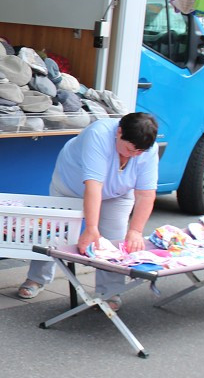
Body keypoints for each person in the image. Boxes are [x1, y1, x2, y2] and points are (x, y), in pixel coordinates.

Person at [16, 111, 159, 311]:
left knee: (115, 237)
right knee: (54, 232)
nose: (135, 154)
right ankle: (36, 279)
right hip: (70, 187)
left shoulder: (147, 150)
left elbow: (146, 193)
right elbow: (93, 185)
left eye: (140, 152)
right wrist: (91, 227)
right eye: (130, 149)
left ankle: (110, 290)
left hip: (118, 193)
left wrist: (135, 230)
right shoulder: (99, 134)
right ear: (119, 132)